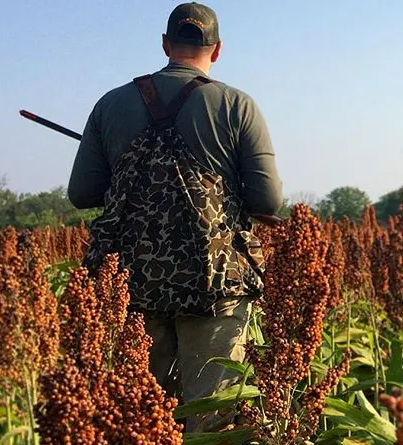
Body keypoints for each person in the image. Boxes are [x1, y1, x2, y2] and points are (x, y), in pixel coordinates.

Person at [67, 2, 283, 432]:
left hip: (128, 285)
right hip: (214, 284)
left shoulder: (110, 105)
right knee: (211, 420)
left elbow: (82, 194)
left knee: (137, 418)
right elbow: (268, 201)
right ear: (217, 50)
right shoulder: (236, 105)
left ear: (165, 44)